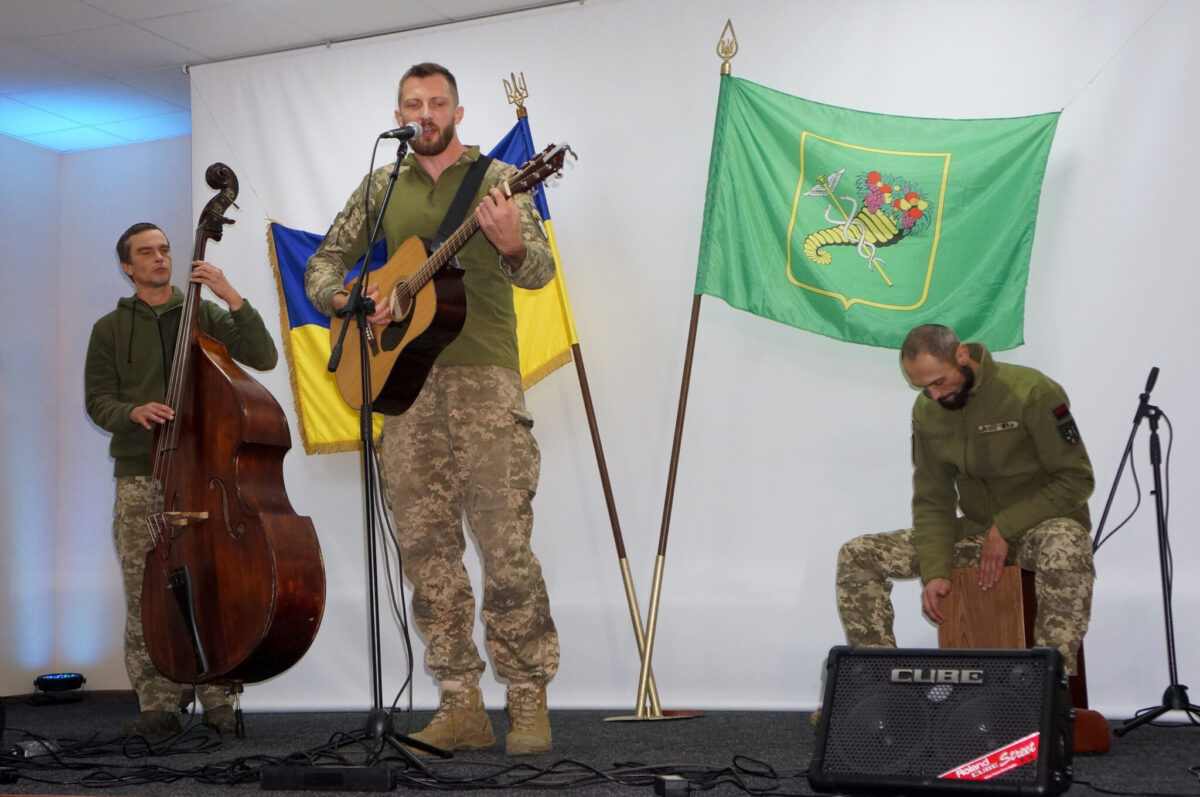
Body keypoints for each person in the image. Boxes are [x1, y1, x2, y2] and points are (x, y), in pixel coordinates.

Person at [305, 62, 559, 756]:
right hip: (405, 392)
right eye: (413, 105)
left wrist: (511, 242)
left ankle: (527, 698)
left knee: (506, 547)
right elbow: (323, 264)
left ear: (458, 112)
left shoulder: (500, 179)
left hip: (485, 382)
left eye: (437, 103)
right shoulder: (382, 186)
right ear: (399, 116)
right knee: (426, 554)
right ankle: (460, 703)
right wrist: (349, 300)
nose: (425, 114)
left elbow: (538, 269)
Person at [85, 222, 279, 738]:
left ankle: (217, 696)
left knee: (212, 583)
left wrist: (230, 295)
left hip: (202, 472)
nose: (159, 258)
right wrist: (132, 412)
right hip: (140, 476)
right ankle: (157, 704)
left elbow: (264, 356)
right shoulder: (109, 329)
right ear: (127, 266)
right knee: (144, 591)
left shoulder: (203, 314)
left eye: (165, 249)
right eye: (146, 252)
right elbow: (97, 401)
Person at [836, 324, 1095, 678]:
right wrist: (936, 571)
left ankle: (1051, 684)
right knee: (858, 554)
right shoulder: (927, 411)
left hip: (1041, 529)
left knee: (1067, 543)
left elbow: (1077, 479)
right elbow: (933, 499)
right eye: (922, 388)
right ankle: (879, 684)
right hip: (976, 532)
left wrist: (1004, 528)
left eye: (939, 382)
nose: (934, 395)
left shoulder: (1031, 390)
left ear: (961, 355)